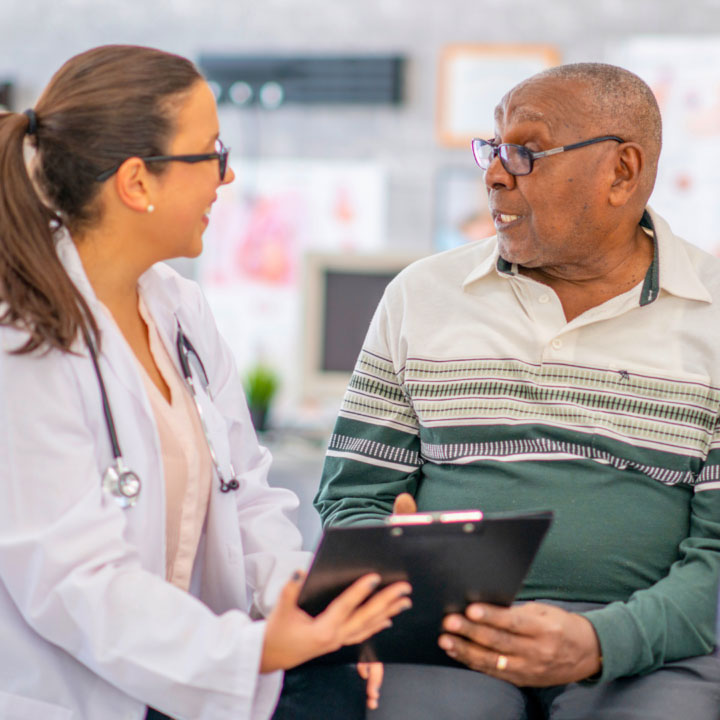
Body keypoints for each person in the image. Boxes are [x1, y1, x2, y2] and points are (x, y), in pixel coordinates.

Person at [0, 45, 412, 720]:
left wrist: (308, 604)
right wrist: (251, 653)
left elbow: (247, 496)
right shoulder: (22, 337)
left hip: (188, 676)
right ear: (137, 182)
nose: (228, 176)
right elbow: (74, 582)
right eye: (212, 152)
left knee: (341, 689)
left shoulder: (178, 310)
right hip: (73, 697)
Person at [311, 63, 720, 719]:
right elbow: (355, 497)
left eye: (525, 151)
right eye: (492, 148)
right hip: (452, 631)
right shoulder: (422, 296)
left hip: (653, 646)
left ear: (622, 171)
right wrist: (406, 581)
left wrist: (600, 641)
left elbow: (718, 559)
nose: (495, 174)